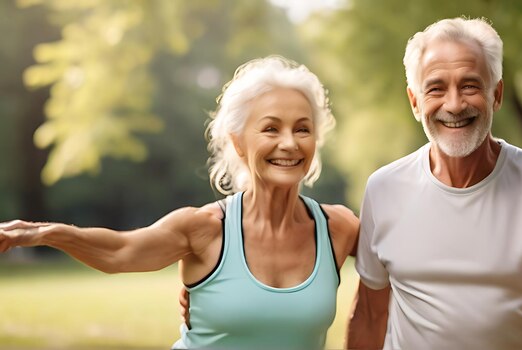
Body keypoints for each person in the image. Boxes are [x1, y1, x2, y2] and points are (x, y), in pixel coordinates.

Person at [0, 55, 359, 349]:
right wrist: (47, 233)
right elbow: (121, 252)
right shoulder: (204, 228)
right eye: (270, 128)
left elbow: (401, 261)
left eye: (302, 128)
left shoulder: (337, 228)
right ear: (238, 143)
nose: (289, 143)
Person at [346, 17, 522, 349]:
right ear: (415, 102)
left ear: (496, 94)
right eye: (436, 88)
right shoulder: (384, 189)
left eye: (470, 85)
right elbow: (369, 315)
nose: (454, 105)